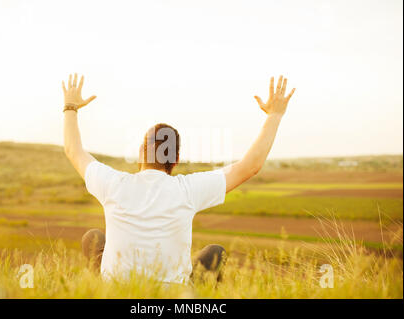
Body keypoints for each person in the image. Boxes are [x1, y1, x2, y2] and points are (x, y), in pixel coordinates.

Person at [62, 73, 295, 284]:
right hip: (174, 296)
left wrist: (70, 106)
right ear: (175, 160)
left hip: (117, 291)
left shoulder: (113, 184)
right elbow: (250, 166)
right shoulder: (187, 190)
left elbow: (73, 150)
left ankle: (100, 290)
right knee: (215, 252)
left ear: (141, 152)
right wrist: (274, 115)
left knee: (92, 239)